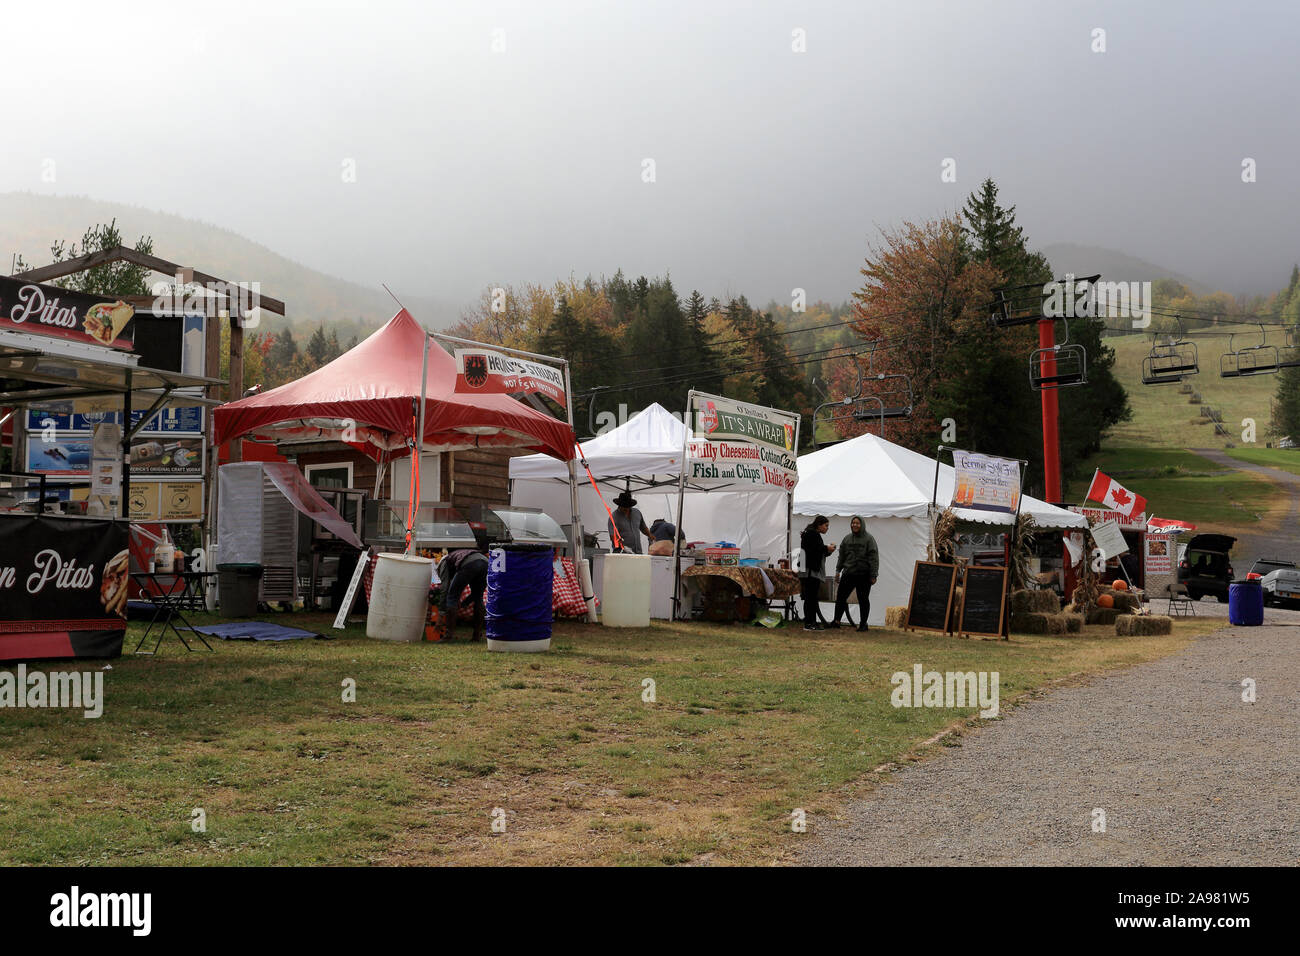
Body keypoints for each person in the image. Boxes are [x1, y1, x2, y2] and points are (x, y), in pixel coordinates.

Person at [831, 515, 879, 631]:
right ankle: (836, 621)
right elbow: (841, 556)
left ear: (862, 525)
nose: (855, 525)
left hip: (864, 574)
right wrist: (838, 571)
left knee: (863, 599)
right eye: (853, 523)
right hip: (848, 573)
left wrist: (873, 575)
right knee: (841, 597)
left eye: (857, 523)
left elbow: (874, 558)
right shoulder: (847, 539)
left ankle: (863, 624)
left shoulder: (869, 539)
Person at [436, 548, 489, 641]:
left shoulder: (444, 562)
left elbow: (445, 589)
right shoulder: (457, 556)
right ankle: (476, 635)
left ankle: (448, 636)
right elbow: (475, 593)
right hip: (485, 562)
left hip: (469, 563)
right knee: (478, 597)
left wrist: (440, 614)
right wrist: (464, 603)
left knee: (452, 596)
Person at [799, 515, 835, 631]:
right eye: (826, 525)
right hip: (810, 571)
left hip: (808, 570)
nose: (827, 528)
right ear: (819, 525)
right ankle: (810, 623)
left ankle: (810, 622)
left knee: (811, 598)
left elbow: (817, 551)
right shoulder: (812, 534)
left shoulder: (810, 533)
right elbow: (815, 550)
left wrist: (827, 550)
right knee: (811, 598)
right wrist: (826, 548)